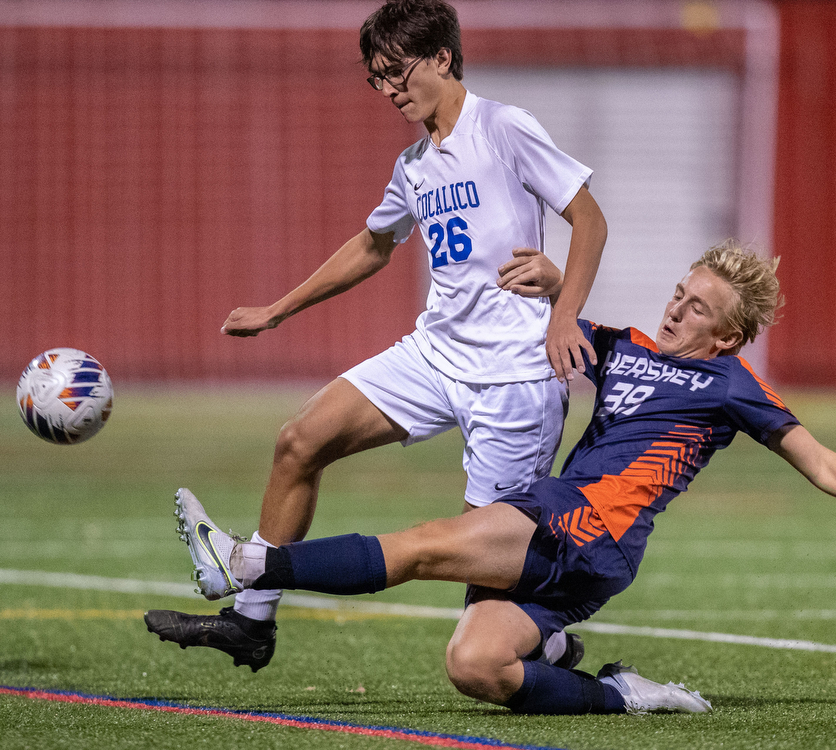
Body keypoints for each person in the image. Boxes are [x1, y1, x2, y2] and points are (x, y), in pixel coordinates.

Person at [147, 241, 836, 715]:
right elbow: (551, 334)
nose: (677, 308)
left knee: (429, 546)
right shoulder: (624, 347)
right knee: (475, 665)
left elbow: (820, 459)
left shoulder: (733, 384)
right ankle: (623, 695)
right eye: (680, 293)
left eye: (697, 308)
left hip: (589, 522)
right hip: (586, 546)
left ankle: (247, 566)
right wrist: (552, 287)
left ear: (727, 336)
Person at [144, 0, 606, 672]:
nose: (388, 89)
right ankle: (250, 622)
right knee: (300, 440)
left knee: (483, 580)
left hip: (511, 380)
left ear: (442, 58)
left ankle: (554, 642)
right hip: (434, 354)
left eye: (397, 72)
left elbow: (588, 218)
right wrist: (278, 310)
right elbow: (372, 245)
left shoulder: (504, 128)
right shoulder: (415, 163)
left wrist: (565, 311)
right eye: (377, 79)